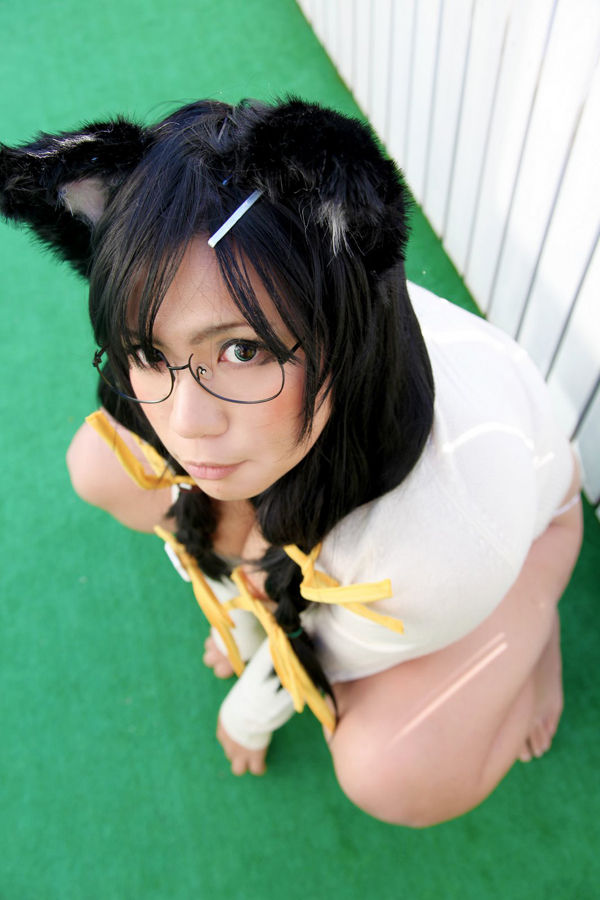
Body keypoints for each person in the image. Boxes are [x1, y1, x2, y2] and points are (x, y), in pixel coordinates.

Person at [0, 98, 583, 826]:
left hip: (526, 531)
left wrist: (252, 703)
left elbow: (322, 649)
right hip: (343, 467)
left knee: (394, 770)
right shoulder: (232, 377)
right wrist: (241, 600)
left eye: (242, 350)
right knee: (103, 463)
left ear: (338, 337)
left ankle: (530, 625)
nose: (186, 425)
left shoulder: (442, 538)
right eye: (148, 351)